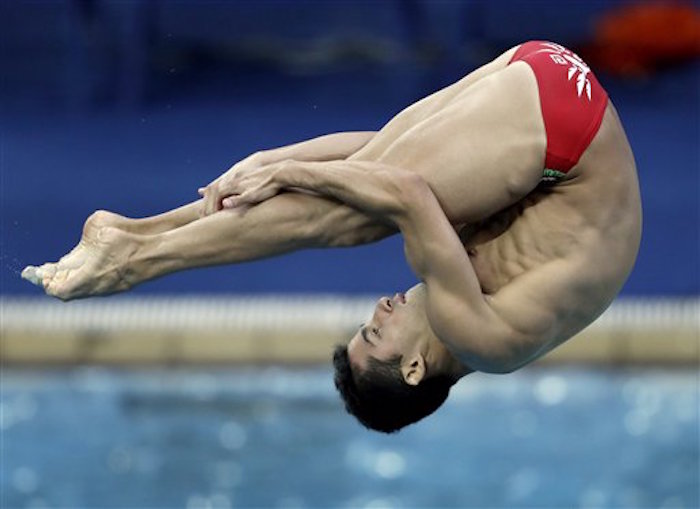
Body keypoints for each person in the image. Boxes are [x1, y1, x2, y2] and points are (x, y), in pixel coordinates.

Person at [22, 41, 641, 433]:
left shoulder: (477, 302)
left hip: (548, 79)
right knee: (350, 222)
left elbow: (376, 159)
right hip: (564, 121)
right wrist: (285, 168)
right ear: (417, 367)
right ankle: (137, 258)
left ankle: (138, 233)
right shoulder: (483, 339)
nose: (378, 309)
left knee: (363, 203)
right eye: (376, 333)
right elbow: (402, 189)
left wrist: (278, 155)